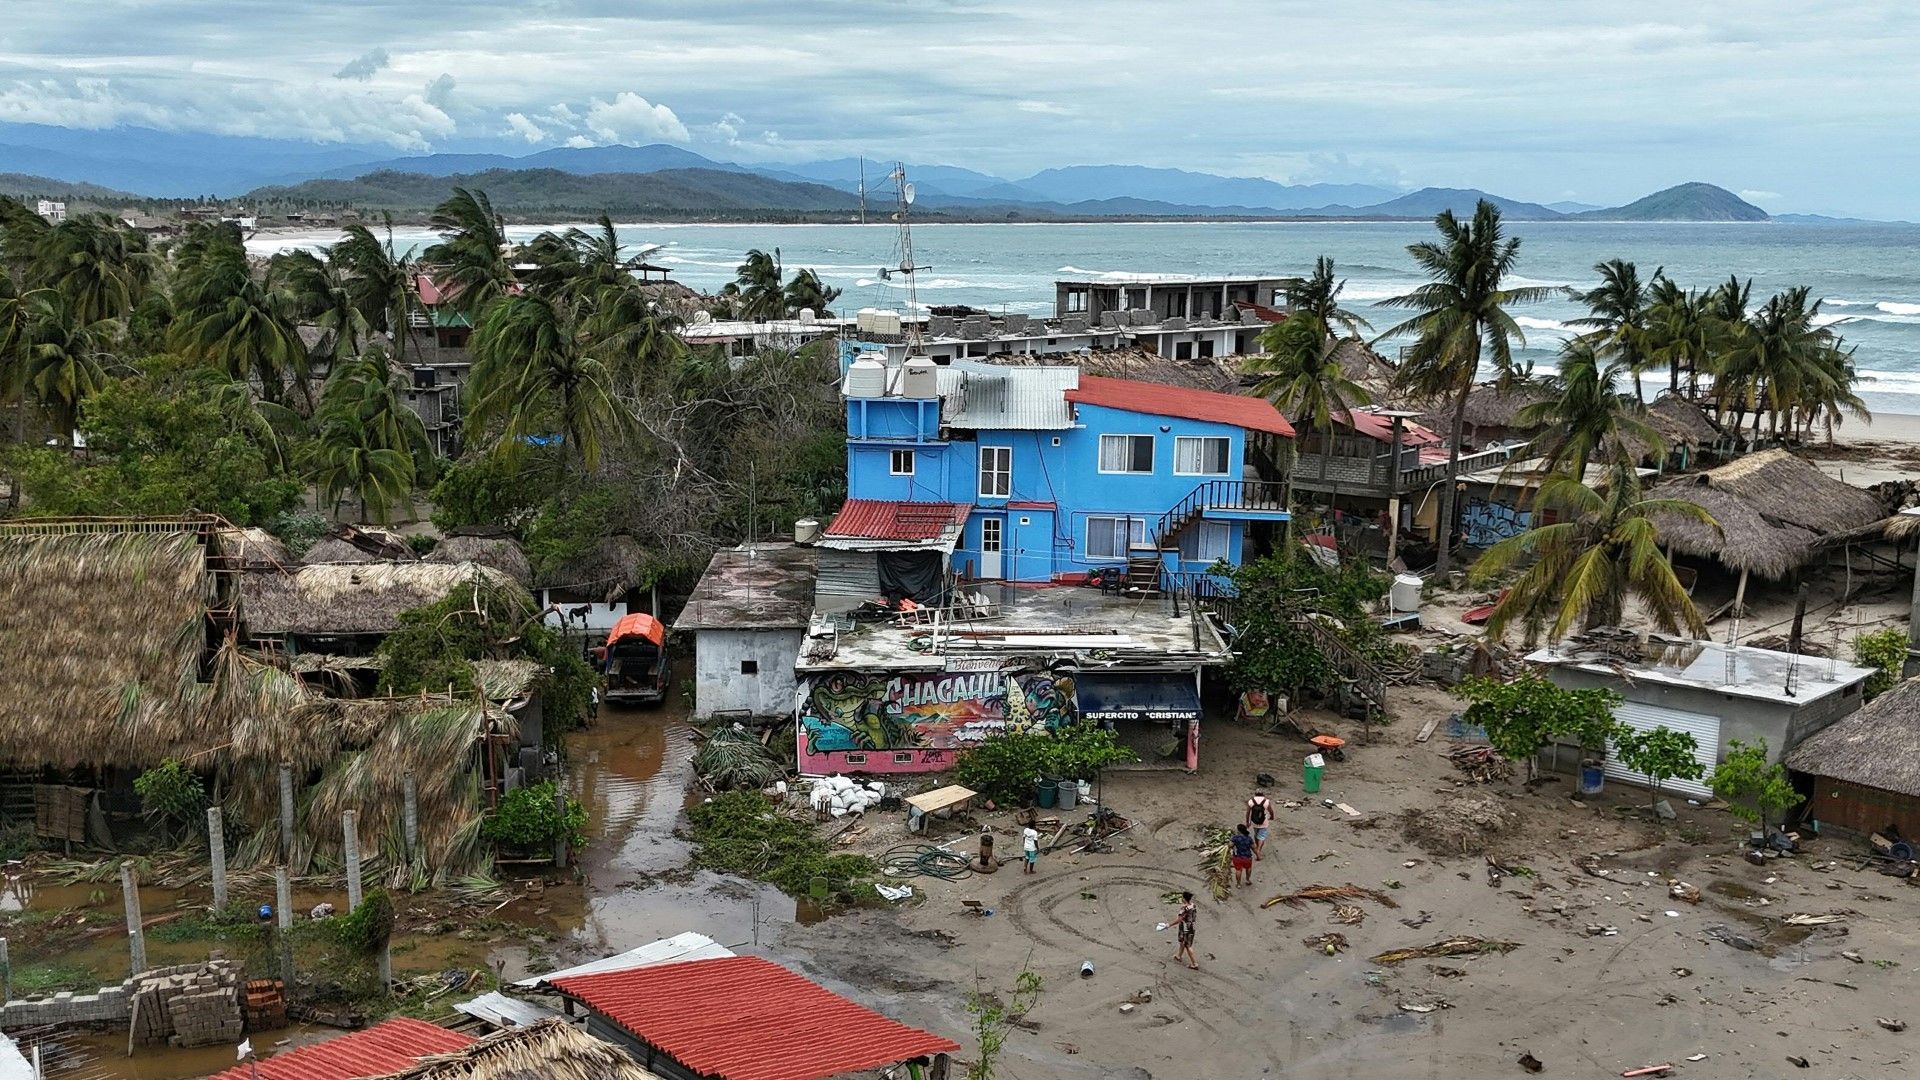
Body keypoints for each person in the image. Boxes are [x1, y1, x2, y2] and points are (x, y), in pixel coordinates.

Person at [1245, 789, 1275, 861]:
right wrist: (1272, 816)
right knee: (1261, 836)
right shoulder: (1266, 801)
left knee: (1256, 835)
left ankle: (1257, 847)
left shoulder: (1251, 801)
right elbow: (1271, 811)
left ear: (1255, 794)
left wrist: (1247, 822)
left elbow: (1248, 812)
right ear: (1263, 794)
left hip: (1254, 821)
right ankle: (1258, 850)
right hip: (1263, 822)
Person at [1175, 891, 1199, 970]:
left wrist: (1168, 925)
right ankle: (1179, 956)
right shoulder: (1193, 906)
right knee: (1182, 942)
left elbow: (1179, 919)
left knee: (1188, 946)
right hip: (1191, 927)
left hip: (1185, 928)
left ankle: (1194, 964)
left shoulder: (1184, 908)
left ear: (1184, 899)